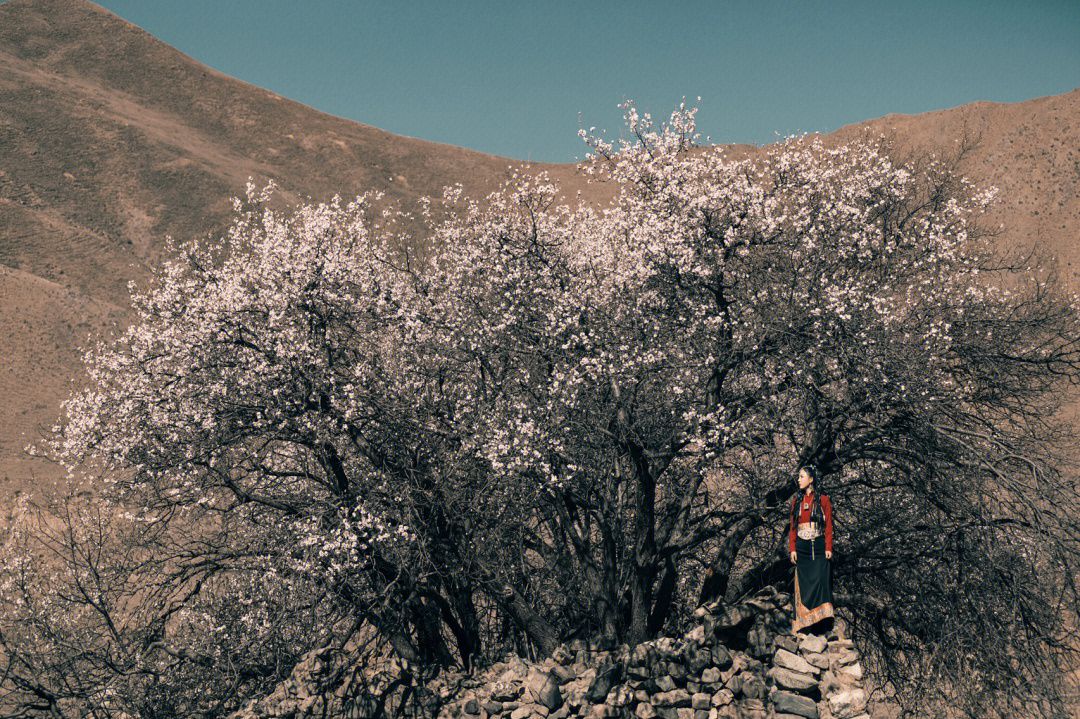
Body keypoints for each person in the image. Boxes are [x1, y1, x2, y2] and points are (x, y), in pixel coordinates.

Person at [788, 464, 834, 633]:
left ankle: (823, 623)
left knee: (822, 579)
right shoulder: (796, 502)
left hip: (819, 546)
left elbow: (828, 525)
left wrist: (828, 546)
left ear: (811, 479)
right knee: (803, 583)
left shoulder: (823, 500)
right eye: (798, 477)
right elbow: (793, 527)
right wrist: (792, 548)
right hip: (802, 548)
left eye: (802, 476)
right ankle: (804, 622)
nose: (799, 480)